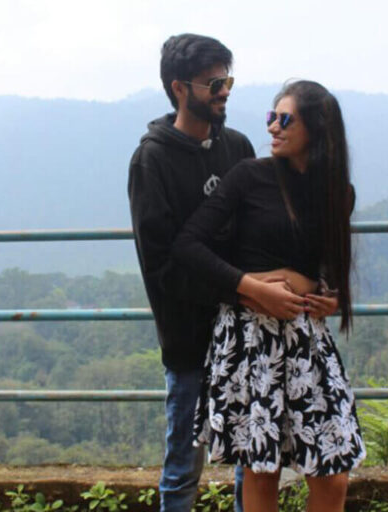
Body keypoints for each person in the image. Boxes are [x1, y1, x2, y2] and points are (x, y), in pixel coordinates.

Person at [172, 80, 366, 512]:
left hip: (306, 340)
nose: (273, 127)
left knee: (332, 473)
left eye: (285, 119)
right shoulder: (249, 176)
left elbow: (326, 267)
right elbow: (188, 245)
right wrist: (253, 287)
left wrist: (328, 295)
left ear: (316, 128)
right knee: (262, 470)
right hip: (250, 339)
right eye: (271, 117)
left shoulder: (337, 192)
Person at [127, 33, 254, 512]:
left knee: (251, 457)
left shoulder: (237, 147)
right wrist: (238, 289)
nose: (224, 92)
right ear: (179, 88)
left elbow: (259, 229)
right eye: (213, 84)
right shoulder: (152, 161)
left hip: (246, 330)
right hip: (189, 338)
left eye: (227, 81)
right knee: (183, 465)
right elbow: (160, 265)